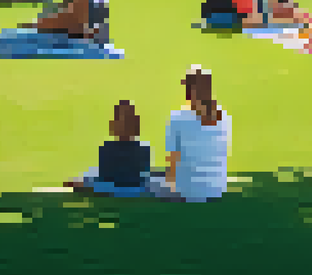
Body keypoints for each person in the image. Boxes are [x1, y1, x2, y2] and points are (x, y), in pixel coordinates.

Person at [154, 66, 232, 202]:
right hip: (217, 189)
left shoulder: (177, 118)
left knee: (151, 180)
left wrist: (171, 187)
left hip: (188, 192)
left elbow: (173, 162)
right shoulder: (224, 118)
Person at [73, 101, 151, 197]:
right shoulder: (107, 149)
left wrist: (89, 186)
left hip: (122, 191)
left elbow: (126, 184)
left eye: (128, 121)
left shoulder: (141, 151)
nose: (125, 125)